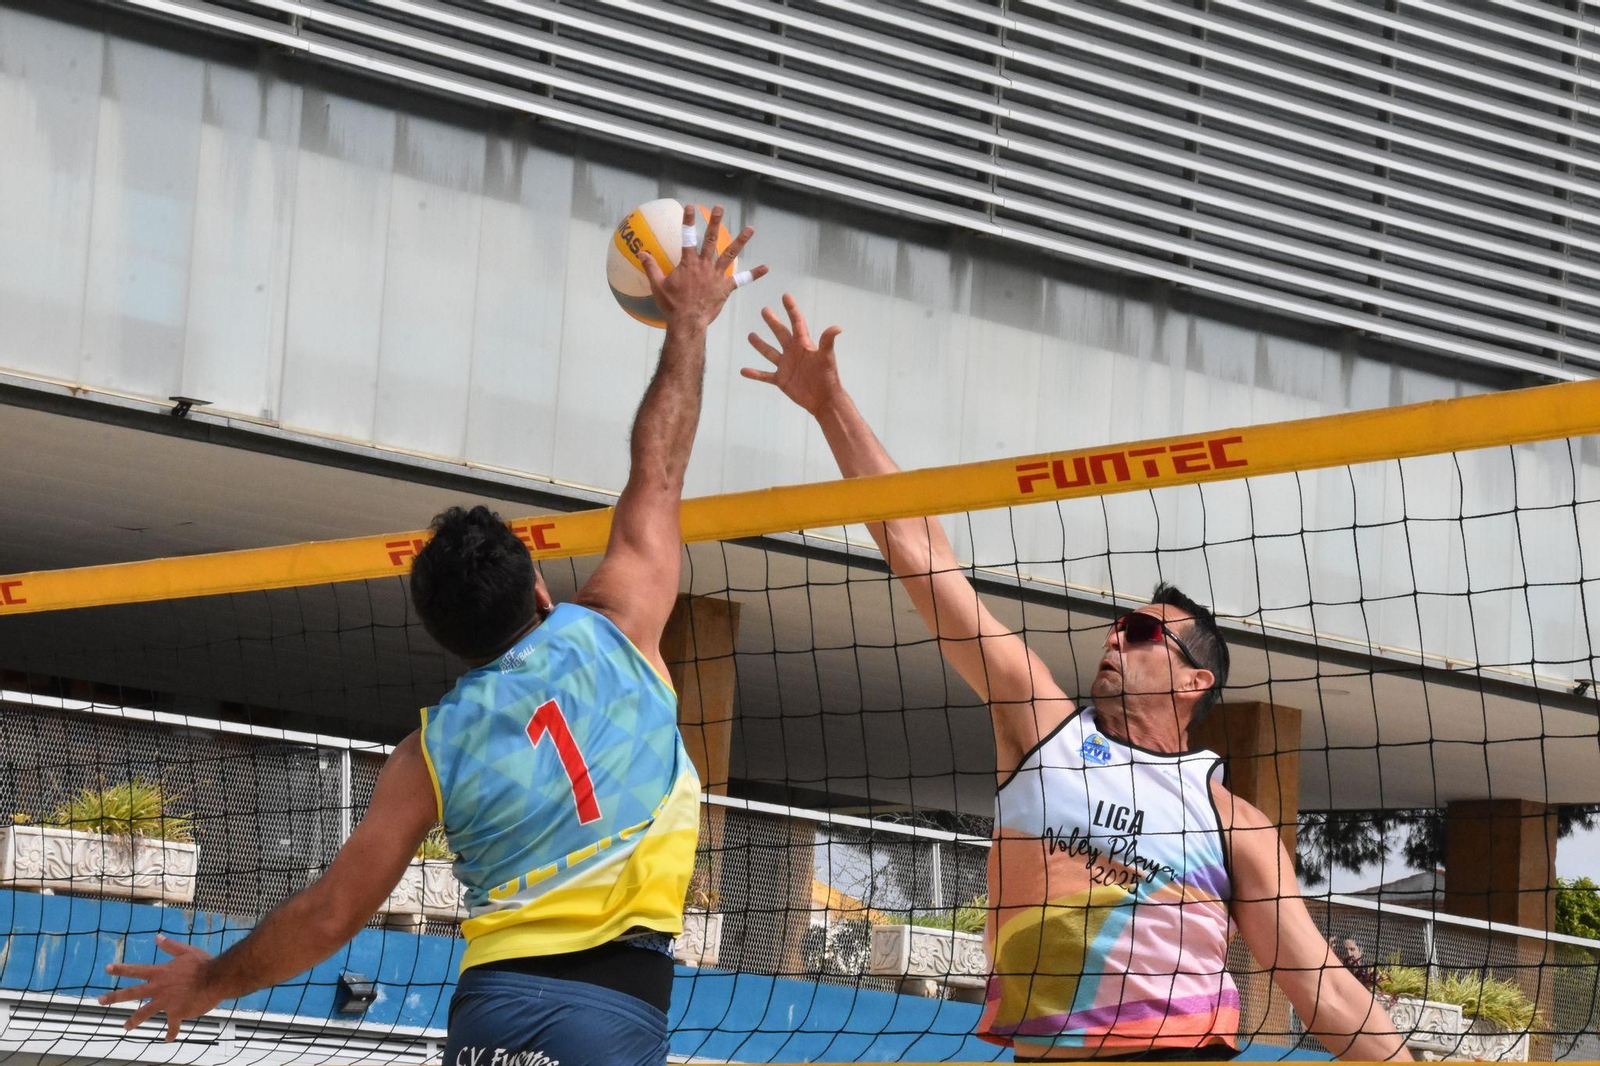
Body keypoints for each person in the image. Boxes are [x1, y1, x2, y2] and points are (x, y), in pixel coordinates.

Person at [99, 205, 766, 1066]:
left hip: (493, 1009)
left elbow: (330, 915)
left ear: (451, 642)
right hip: (609, 1012)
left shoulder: (430, 752)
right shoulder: (616, 628)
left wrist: (210, 982)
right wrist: (689, 322)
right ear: (538, 587)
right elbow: (658, 468)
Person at [742, 295, 1410, 1062]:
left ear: (1194, 682)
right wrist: (830, 404)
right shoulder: (1044, 729)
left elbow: (1326, 991)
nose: (1114, 639)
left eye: (1142, 633)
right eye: (1117, 626)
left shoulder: (1234, 823)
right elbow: (922, 554)